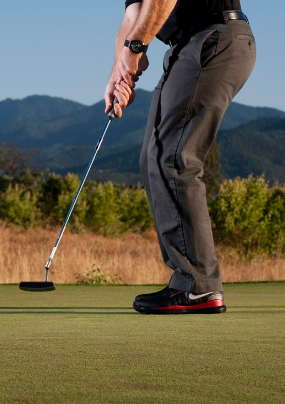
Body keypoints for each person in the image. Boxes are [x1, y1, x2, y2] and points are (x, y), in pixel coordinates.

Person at [105, 0, 256, 314]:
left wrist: (135, 48)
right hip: (190, 45)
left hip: (212, 35)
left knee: (174, 159)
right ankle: (189, 281)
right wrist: (118, 72)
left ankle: (198, 285)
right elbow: (133, 17)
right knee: (153, 159)